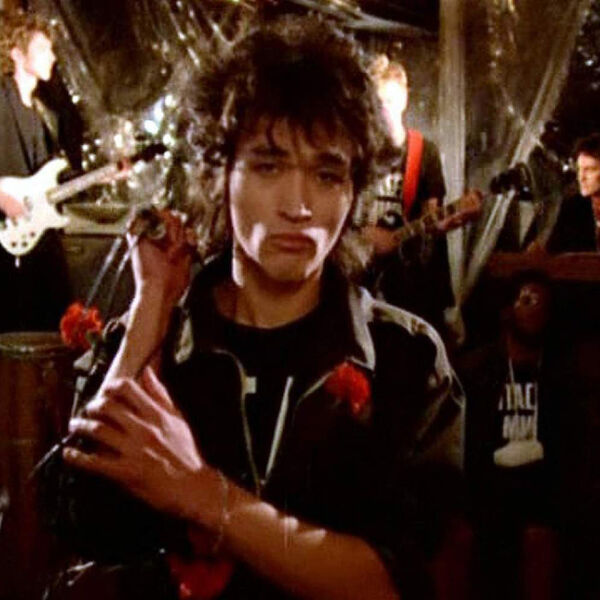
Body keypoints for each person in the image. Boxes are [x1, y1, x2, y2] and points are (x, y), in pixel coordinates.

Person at [58, 17, 464, 600]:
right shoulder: (161, 339)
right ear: (220, 174)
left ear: (354, 191)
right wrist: (150, 310)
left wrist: (203, 494)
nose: (298, 205)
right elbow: (82, 522)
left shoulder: (404, 357)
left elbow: (394, 583)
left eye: (327, 174)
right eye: (269, 166)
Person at [458, 271, 563, 600]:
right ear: (508, 309)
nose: (536, 310)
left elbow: (566, 448)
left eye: (543, 304)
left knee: (540, 535)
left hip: (537, 489)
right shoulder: (478, 369)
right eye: (528, 300)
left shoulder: (557, 374)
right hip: (486, 486)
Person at [361, 54, 457, 339]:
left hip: (410, 282)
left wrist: (443, 222)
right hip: (363, 275)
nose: (384, 111)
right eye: (378, 103)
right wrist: (364, 235)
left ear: (404, 100)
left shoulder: (423, 151)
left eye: (390, 102)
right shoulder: (361, 152)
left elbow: (432, 216)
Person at [0, 9, 71, 332]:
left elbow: (49, 176)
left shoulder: (44, 115)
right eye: (43, 49)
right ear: (17, 54)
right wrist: (2, 198)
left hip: (36, 239)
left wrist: (106, 174)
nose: (52, 57)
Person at [544, 133, 600, 253]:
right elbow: (553, 252)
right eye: (579, 169)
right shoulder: (573, 208)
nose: (581, 177)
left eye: (589, 170)